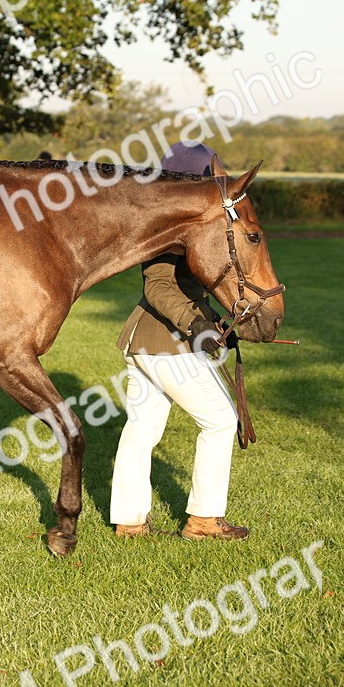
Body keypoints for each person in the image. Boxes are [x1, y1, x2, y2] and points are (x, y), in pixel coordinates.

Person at [109, 140, 244, 540]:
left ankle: (129, 522)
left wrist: (212, 320)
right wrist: (195, 324)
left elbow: (187, 289)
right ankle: (203, 520)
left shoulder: (176, 217)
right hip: (166, 344)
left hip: (144, 341)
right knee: (220, 421)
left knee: (142, 429)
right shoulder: (167, 223)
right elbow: (158, 286)